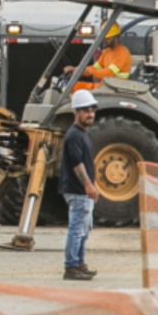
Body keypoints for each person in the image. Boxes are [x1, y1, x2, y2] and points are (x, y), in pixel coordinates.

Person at [60, 89, 100, 281]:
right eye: (86, 110)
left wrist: (93, 185)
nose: (90, 114)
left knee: (84, 230)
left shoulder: (82, 134)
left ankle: (79, 264)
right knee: (77, 230)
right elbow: (77, 163)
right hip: (78, 191)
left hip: (82, 191)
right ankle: (71, 267)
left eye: (92, 110)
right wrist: (88, 185)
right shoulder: (75, 135)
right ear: (76, 112)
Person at [70, 22, 132, 92]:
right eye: (103, 37)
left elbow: (109, 73)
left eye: (107, 38)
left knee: (85, 91)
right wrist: (77, 70)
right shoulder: (106, 52)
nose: (104, 40)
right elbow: (95, 67)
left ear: (116, 37)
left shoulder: (122, 52)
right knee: (74, 86)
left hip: (117, 88)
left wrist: (88, 72)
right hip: (106, 86)